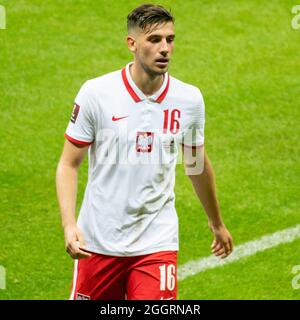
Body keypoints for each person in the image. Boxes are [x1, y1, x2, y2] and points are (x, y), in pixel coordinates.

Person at [56, 3, 233, 300]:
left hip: (156, 240)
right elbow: (68, 164)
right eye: (154, 40)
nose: (164, 48)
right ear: (132, 44)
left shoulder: (188, 100)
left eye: (170, 39)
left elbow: (195, 165)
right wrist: (69, 223)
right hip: (98, 241)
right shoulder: (96, 94)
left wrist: (216, 223)